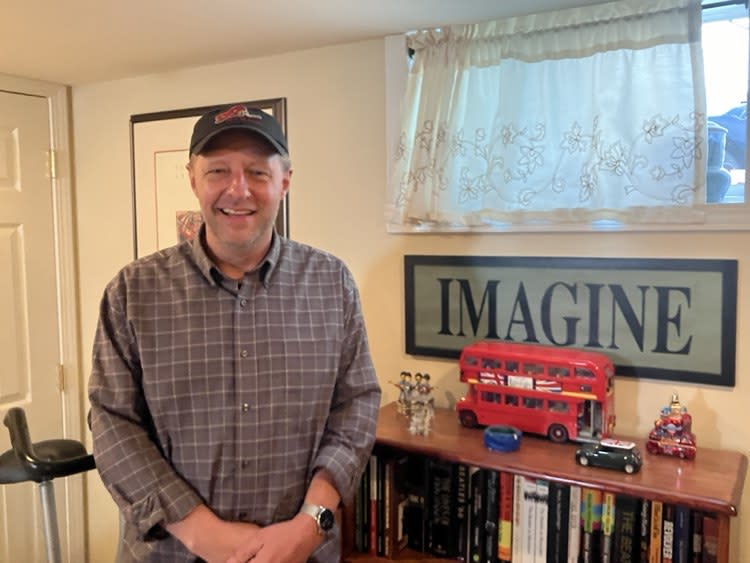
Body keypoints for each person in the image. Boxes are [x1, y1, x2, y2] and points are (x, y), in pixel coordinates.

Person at [88, 103, 382, 563]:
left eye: (257, 173)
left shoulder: (332, 283)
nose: (237, 189)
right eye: (218, 170)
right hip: (171, 553)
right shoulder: (132, 292)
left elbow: (357, 404)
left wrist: (312, 522)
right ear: (192, 178)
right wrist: (200, 530)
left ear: (285, 180)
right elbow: (112, 423)